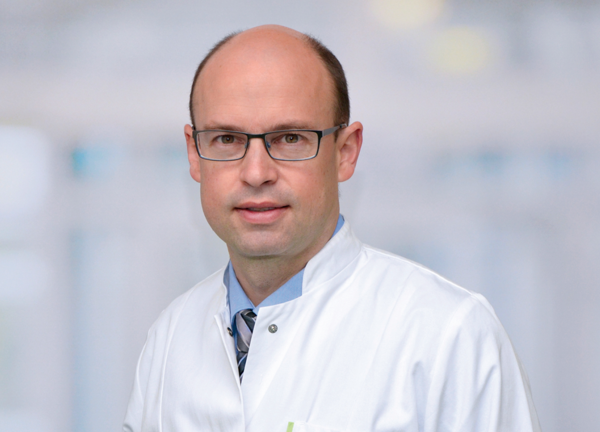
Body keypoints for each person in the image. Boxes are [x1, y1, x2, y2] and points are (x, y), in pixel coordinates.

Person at [123, 25, 540, 432]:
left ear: (346, 152)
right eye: (227, 139)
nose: (256, 173)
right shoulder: (171, 336)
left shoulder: (448, 334)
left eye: (289, 138)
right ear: (195, 155)